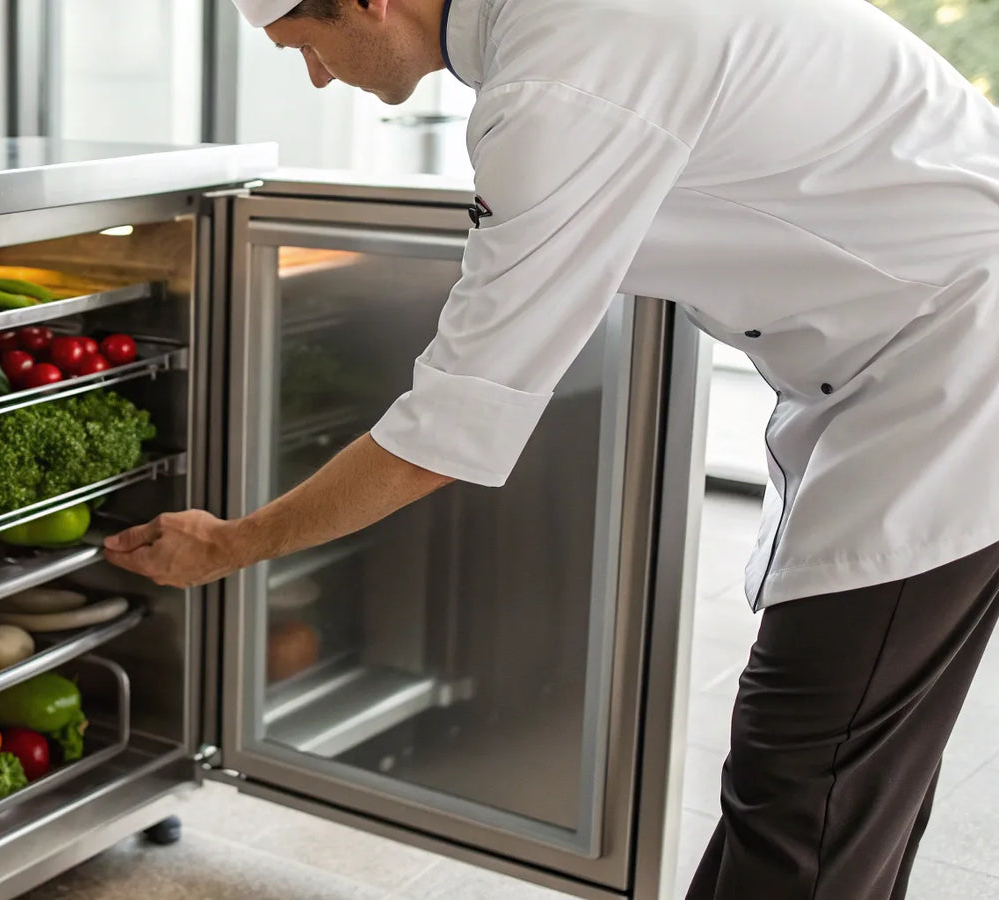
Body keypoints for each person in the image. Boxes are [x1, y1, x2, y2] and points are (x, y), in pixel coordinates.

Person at [100, 0, 999, 897]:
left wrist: (234, 542)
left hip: (952, 383)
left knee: (810, 792)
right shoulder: (563, 36)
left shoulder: (558, 83)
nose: (317, 76)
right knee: (840, 785)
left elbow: (443, 434)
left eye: (306, 44)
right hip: (919, 365)